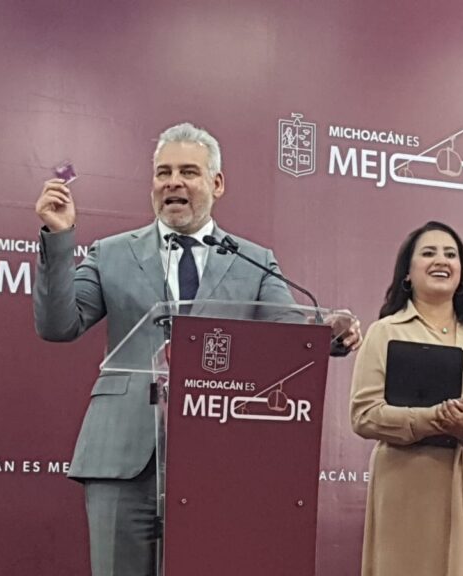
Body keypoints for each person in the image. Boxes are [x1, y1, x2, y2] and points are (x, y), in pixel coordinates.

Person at [32, 122, 361, 576]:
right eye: (163, 173)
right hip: (122, 457)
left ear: (216, 183)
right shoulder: (110, 253)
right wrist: (59, 238)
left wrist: (329, 334)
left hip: (218, 460)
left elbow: (289, 337)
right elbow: (58, 325)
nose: (174, 183)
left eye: (188, 172)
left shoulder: (254, 260)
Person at [350, 221, 463, 576]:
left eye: (451, 254)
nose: (441, 261)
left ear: (462, 272)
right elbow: (364, 415)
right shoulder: (385, 332)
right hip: (408, 481)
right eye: (428, 253)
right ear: (408, 273)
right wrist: (429, 419)